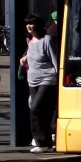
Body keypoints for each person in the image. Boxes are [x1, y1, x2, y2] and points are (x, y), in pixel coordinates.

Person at [19, 13, 59, 153]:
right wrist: (23, 60)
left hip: (47, 79)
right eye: (27, 23)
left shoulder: (47, 40)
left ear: (38, 25)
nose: (29, 26)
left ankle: (40, 141)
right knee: (43, 112)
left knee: (36, 109)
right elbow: (30, 58)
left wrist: (59, 79)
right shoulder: (30, 41)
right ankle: (48, 142)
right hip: (32, 80)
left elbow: (55, 60)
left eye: (32, 23)